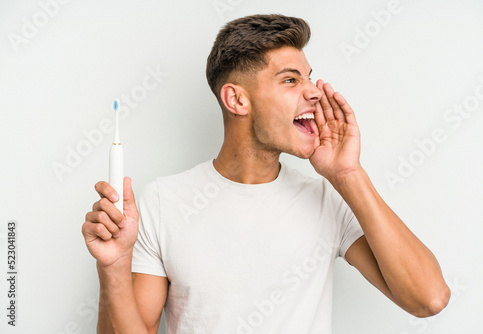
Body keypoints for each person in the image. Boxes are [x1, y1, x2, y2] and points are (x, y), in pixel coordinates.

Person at [82, 14, 450, 334]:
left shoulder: (327, 198)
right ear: (237, 100)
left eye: (309, 78)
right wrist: (113, 267)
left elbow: (428, 299)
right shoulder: (164, 201)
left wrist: (348, 173)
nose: (315, 93)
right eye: (291, 80)